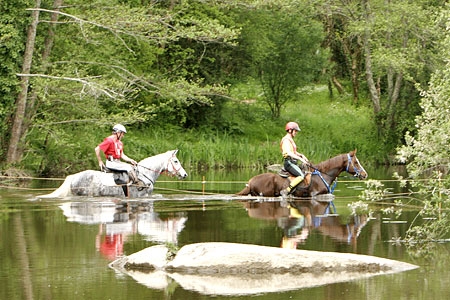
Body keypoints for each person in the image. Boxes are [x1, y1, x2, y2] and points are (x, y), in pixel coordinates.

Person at [280, 121, 309, 196]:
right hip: (289, 163)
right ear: (290, 130)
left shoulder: (290, 140)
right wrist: (301, 159)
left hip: (292, 162)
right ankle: (287, 191)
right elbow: (289, 153)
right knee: (301, 176)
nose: (296, 132)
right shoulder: (286, 140)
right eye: (295, 131)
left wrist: (302, 156)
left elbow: (294, 152)